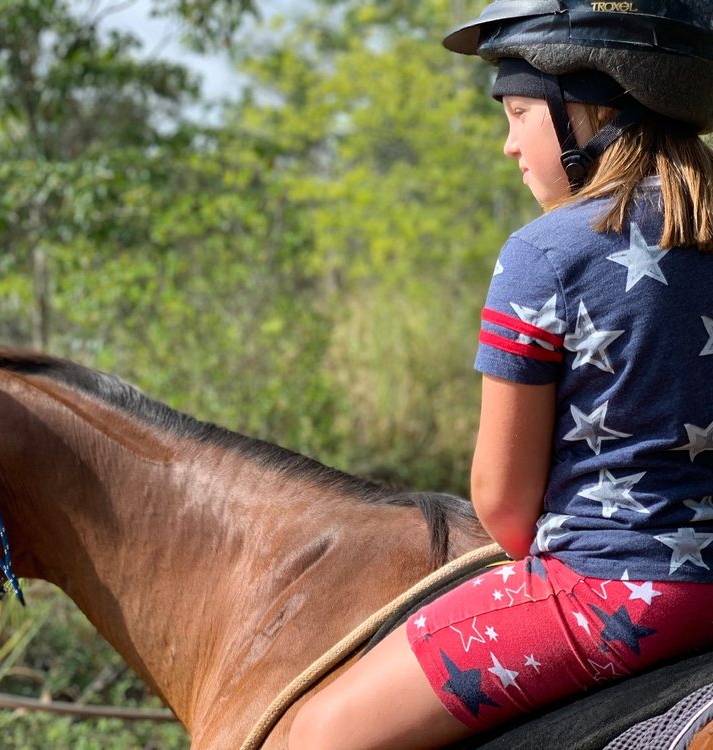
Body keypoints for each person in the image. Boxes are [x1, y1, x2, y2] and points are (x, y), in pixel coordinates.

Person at [288, 2, 713, 748]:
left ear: (586, 112)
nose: (508, 146)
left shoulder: (547, 253)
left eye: (519, 113)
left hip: (618, 596)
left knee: (320, 733)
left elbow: (504, 509)